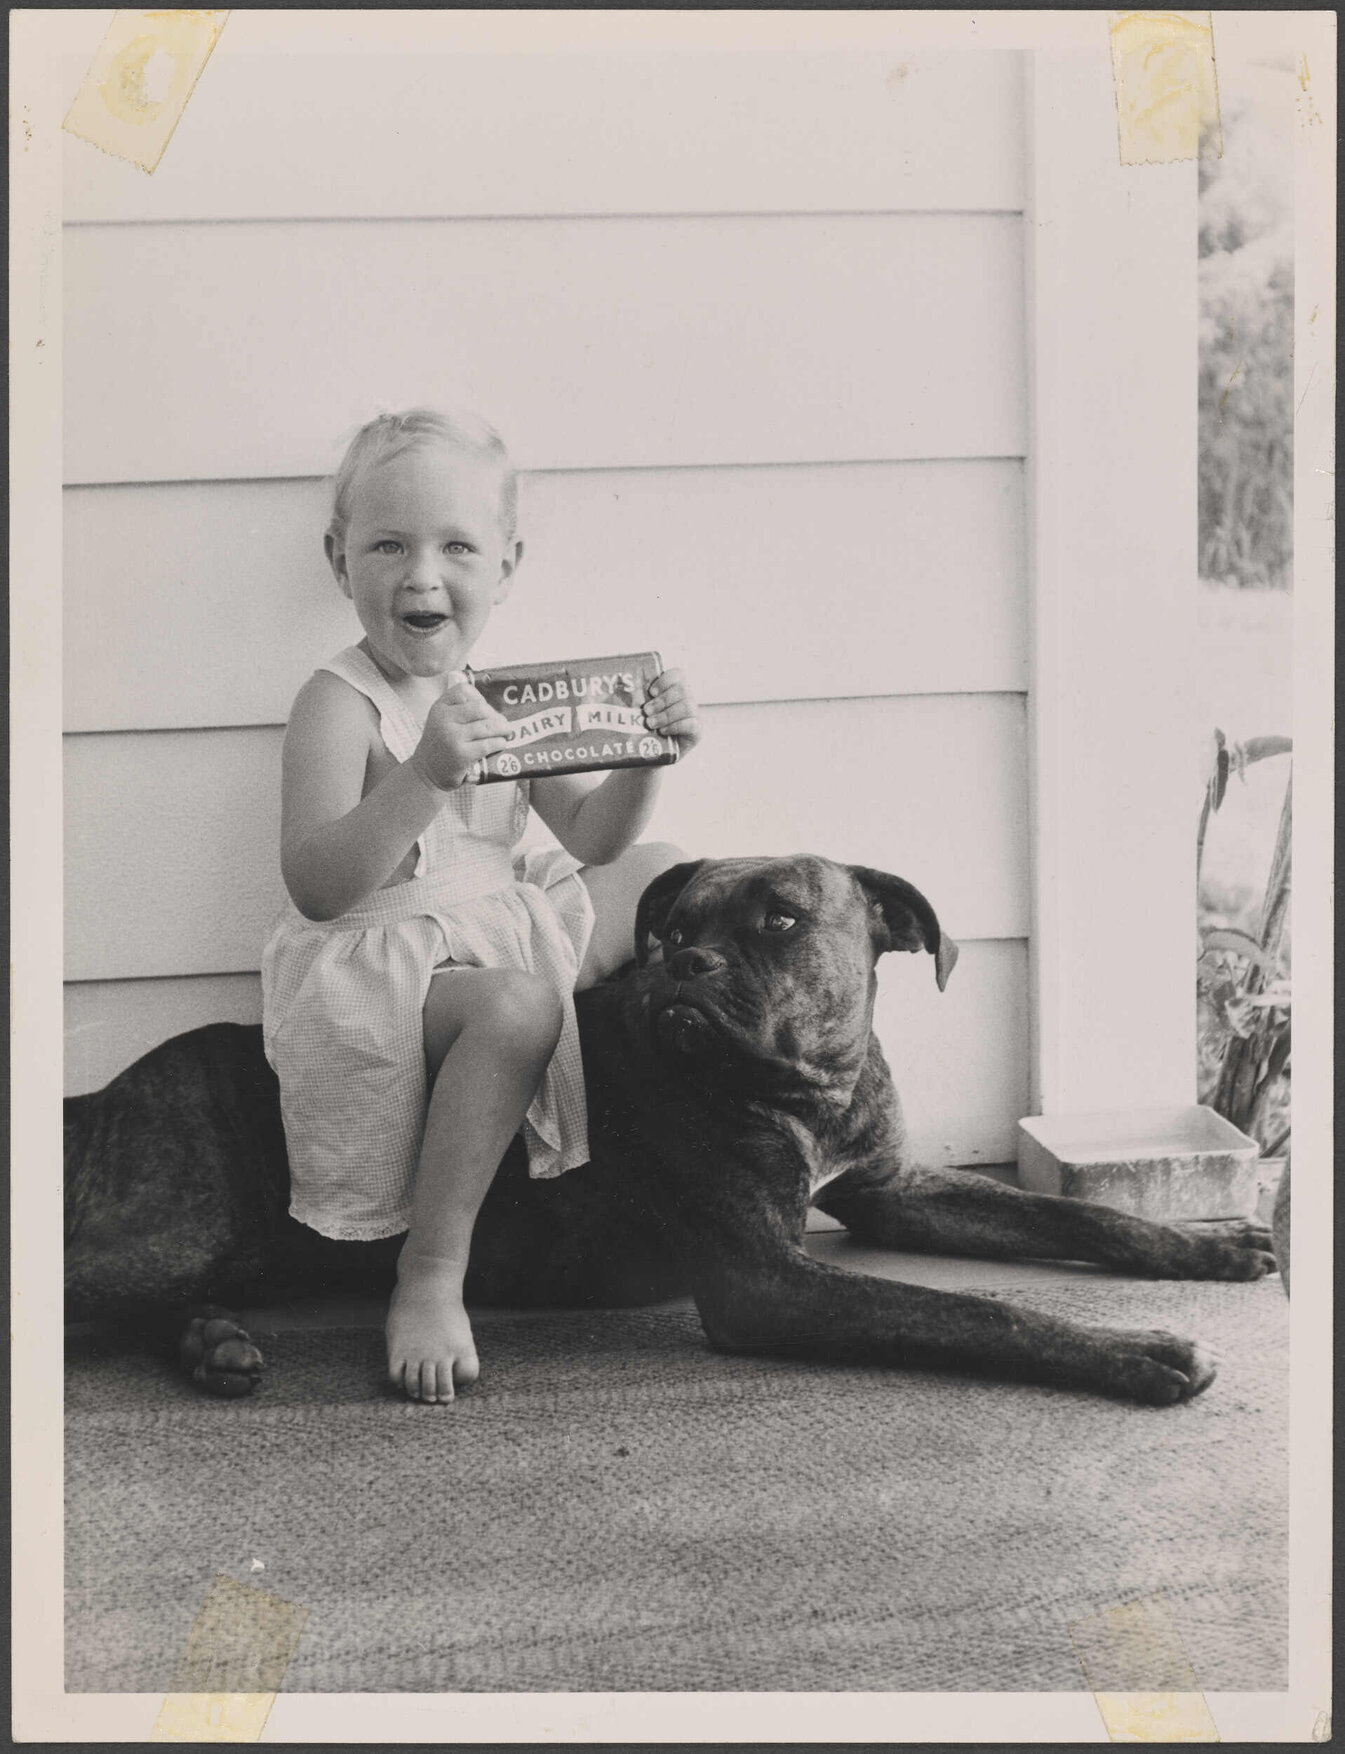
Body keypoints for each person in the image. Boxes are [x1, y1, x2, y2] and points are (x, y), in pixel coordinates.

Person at [261, 408, 700, 1404]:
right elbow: (318, 885)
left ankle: (668, 1162)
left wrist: (645, 761)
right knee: (515, 1007)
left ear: (504, 567)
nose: (422, 574)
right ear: (340, 562)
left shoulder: (494, 692)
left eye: (456, 545)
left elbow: (592, 842)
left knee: (666, 872)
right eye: (388, 545)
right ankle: (430, 1269)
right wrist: (421, 775)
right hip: (384, 965)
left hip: (499, 913)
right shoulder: (338, 701)